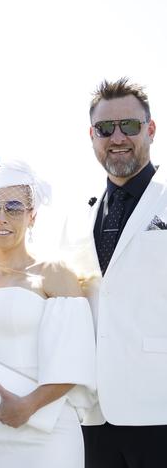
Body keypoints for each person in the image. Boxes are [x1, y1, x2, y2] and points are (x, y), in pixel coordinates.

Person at [0, 160, 97, 468]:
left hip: (46, 434)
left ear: (32, 215)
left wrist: (28, 406)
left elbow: (78, 358)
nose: (1, 217)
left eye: (14, 207)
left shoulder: (54, 274)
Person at [61, 78, 167, 468]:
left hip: (160, 409)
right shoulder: (77, 217)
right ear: (92, 136)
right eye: (106, 129)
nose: (117, 137)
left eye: (130, 126)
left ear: (150, 130)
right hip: (93, 417)